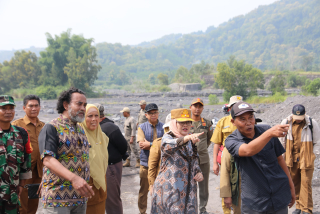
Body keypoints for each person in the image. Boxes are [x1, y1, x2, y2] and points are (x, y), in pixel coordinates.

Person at [225, 101, 295, 214]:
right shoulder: (231, 140)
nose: (248, 122)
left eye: (251, 117)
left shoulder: (266, 129)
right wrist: (269, 133)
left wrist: (291, 187)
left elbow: (280, 159)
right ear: (233, 122)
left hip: (279, 196)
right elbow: (248, 150)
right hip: (255, 202)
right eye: (242, 119)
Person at [38, 87, 94, 214]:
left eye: (84, 105)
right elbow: (48, 159)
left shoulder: (80, 129)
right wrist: (74, 179)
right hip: (57, 198)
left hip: (79, 199)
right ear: (65, 104)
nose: (83, 108)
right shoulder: (51, 128)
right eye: (79, 104)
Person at [150, 108, 204, 213]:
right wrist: (187, 139)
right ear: (174, 123)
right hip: (170, 192)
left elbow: (194, 163)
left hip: (188, 193)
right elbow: (169, 146)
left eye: (188, 122)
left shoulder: (190, 140)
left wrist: (198, 172)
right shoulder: (167, 138)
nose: (186, 125)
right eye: (182, 122)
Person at [279, 104, 320, 214]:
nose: (298, 121)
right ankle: (299, 206)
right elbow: (282, 141)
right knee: (294, 183)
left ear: (304, 114)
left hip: (306, 158)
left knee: (306, 183)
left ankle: (306, 209)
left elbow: (317, 142)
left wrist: (313, 155)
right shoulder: (286, 122)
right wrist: (282, 157)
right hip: (291, 158)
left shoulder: (311, 123)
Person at [12, 95, 45, 214]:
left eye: (36, 106)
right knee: (21, 206)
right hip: (23, 172)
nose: (34, 108)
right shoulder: (17, 125)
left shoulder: (44, 126)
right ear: (24, 108)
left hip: (38, 171)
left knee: (34, 204)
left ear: (40, 107)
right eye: (30, 106)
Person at [0, 95, 32, 213]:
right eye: (4, 108)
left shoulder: (21, 133)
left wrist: (21, 185)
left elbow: (26, 162)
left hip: (12, 195)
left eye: (11, 108)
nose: (8, 111)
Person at [211, 95, 243, 214]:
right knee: (226, 186)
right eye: (234, 106)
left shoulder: (247, 121)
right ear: (230, 108)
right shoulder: (223, 122)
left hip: (243, 158)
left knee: (240, 187)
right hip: (226, 160)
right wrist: (215, 163)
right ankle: (227, 211)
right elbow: (216, 143)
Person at [95, 103, 127, 214]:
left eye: (93, 115)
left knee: (111, 198)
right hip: (98, 167)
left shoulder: (109, 127)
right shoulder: (92, 127)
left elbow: (123, 146)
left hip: (110, 166)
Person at [80, 104, 109, 214]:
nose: (94, 119)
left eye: (96, 116)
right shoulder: (78, 137)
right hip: (85, 188)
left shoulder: (103, 137)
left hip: (101, 187)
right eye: (89, 116)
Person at [137, 103, 164, 214]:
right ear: (146, 115)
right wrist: (157, 144)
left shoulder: (164, 127)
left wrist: (151, 144)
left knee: (160, 191)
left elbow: (167, 144)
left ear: (158, 114)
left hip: (160, 165)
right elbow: (142, 144)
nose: (153, 115)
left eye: (155, 113)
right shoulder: (142, 127)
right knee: (144, 191)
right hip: (146, 164)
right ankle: (142, 212)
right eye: (150, 113)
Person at [189, 98, 213, 214]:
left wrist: (202, 148)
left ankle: (202, 209)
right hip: (189, 159)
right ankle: (190, 208)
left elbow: (209, 139)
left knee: (203, 185)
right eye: (195, 106)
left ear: (202, 108)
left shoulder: (207, 123)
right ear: (191, 107)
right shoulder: (186, 123)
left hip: (203, 159)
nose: (197, 109)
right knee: (189, 184)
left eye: (200, 106)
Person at [148, 113, 171, 196]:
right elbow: (152, 166)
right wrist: (151, 185)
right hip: (162, 185)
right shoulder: (159, 143)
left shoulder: (186, 142)